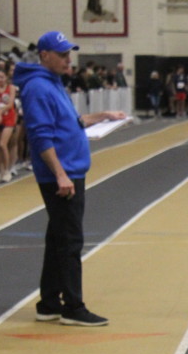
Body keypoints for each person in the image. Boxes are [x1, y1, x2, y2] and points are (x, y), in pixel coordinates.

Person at [12, 31, 126, 326]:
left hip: (70, 171)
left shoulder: (53, 82)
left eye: (68, 54)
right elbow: (40, 136)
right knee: (70, 241)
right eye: (62, 55)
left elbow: (72, 122)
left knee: (58, 238)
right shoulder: (38, 87)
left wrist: (103, 115)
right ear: (44, 55)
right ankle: (73, 307)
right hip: (63, 176)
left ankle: (49, 303)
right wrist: (61, 175)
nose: (68, 60)